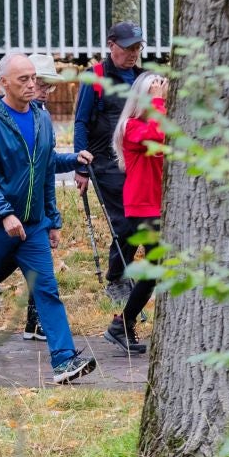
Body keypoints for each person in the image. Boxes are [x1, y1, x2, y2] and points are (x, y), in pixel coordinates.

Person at [0, 51, 95, 385]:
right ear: (2, 83)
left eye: (34, 78)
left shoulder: (42, 118)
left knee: (47, 289)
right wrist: (4, 214)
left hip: (31, 226)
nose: (33, 84)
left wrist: (52, 217)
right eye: (24, 79)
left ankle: (64, 360)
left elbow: (44, 168)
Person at [72, 21, 146, 305]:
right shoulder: (96, 77)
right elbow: (80, 122)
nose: (133, 53)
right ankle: (116, 279)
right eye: (128, 47)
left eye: (137, 47)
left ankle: (121, 272)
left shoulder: (142, 78)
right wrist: (81, 166)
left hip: (137, 163)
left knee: (140, 221)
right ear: (111, 45)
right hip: (105, 163)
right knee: (126, 222)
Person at [109, 70, 168, 357]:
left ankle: (124, 323)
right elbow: (156, 136)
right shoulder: (131, 127)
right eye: (155, 96)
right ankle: (122, 324)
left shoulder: (157, 121)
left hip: (158, 205)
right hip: (142, 207)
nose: (160, 102)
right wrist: (157, 103)